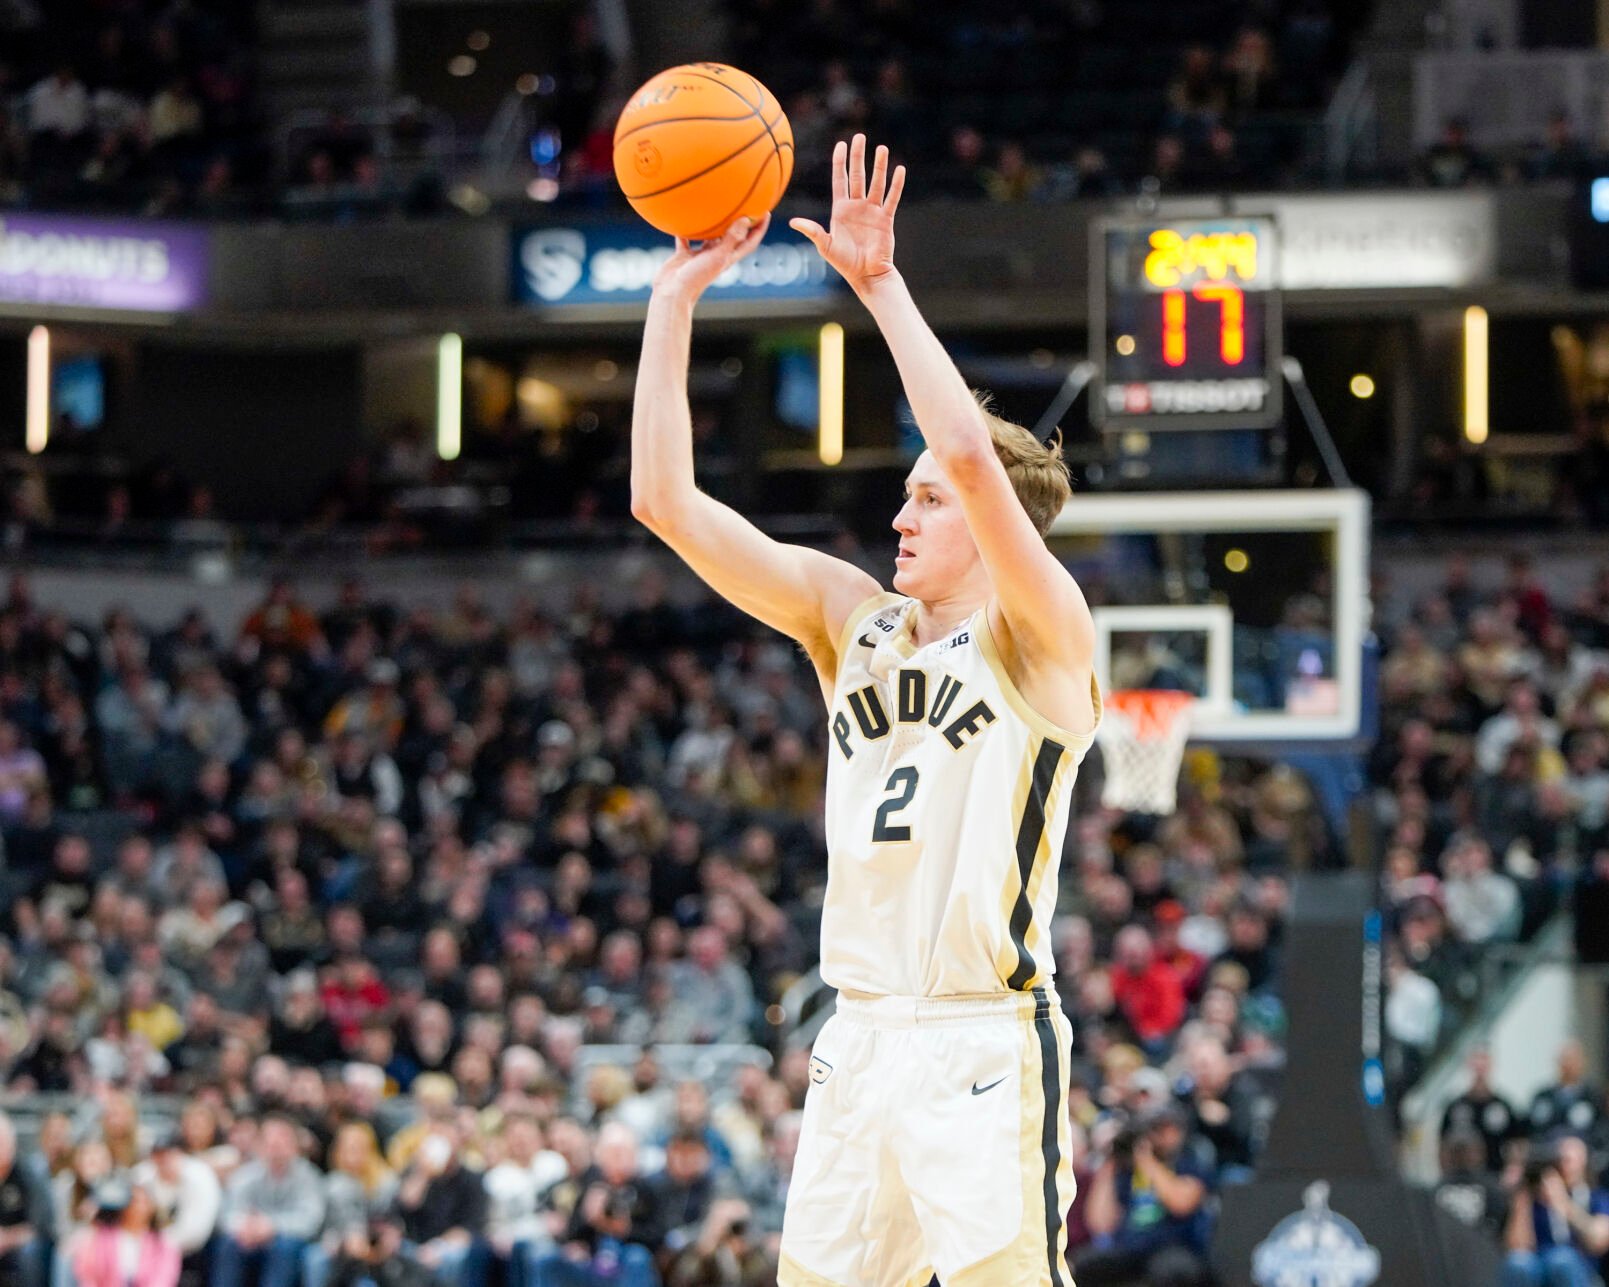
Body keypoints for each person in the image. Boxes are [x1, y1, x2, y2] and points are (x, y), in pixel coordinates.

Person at [631, 132, 1098, 1286]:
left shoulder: (1043, 638)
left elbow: (974, 460)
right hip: (859, 1033)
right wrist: (669, 304)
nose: (901, 518)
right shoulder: (852, 620)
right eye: (903, 499)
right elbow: (662, 502)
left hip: (983, 1035)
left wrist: (879, 286)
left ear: (993, 532)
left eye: (925, 503)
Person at [1075, 1104, 1214, 1287]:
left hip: (1172, 1246)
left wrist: (1147, 1161)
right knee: (1083, 1264)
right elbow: (1100, 1224)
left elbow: (1181, 1204)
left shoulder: (1188, 1163)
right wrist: (1109, 1167)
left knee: (1172, 1271)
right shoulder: (1126, 1172)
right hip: (1129, 1246)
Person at [212, 1114, 326, 1287]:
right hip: (249, 1240)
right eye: (270, 1139)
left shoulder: (308, 1176)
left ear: (294, 1145)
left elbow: (310, 1220)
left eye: (282, 1138)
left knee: (283, 1248)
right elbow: (227, 1214)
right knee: (228, 1244)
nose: (276, 1145)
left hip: (288, 1242)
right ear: (260, 1144)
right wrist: (244, 1227)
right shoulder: (245, 1175)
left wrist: (271, 1226)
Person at [1502, 1135, 1609, 1287]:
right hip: (1537, 1268)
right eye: (1558, 1160)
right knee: (1518, 1263)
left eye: (1568, 1160)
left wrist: (1562, 1202)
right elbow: (1516, 1247)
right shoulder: (1534, 1198)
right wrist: (1523, 1199)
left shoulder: (1597, 1197)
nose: (1562, 1166)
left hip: (1581, 1271)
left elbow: (1598, 1240)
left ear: (1584, 1163)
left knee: (1560, 1259)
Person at [68, 1177, 181, 1287]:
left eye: (142, 1202)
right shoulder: (101, 1235)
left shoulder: (162, 1242)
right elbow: (86, 1274)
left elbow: (164, 1278)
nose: (136, 1206)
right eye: (132, 1200)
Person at [0, 1111, 49, 1287]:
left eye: (2, 1142)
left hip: (19, 1247)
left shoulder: (29, 1175)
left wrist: (6, 1238)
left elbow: (39, 1227)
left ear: (12, 1142)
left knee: (30, 1251)